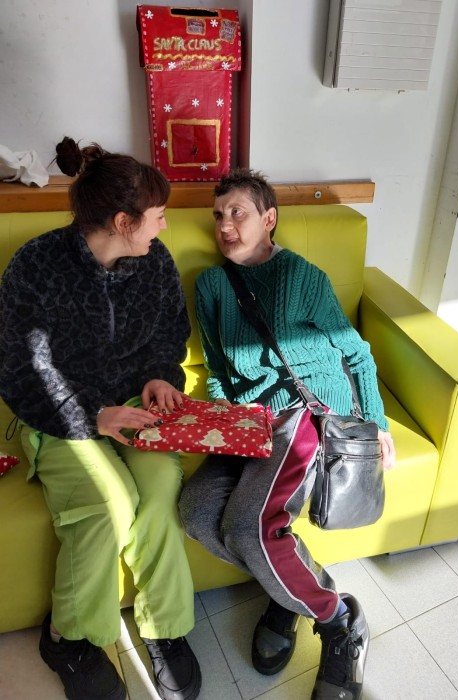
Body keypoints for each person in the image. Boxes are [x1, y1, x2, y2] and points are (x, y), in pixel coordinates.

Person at [178, 168, 395, 700]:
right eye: (219, 215)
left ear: (269, 218)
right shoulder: (211, 285)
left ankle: (340, 622)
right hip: (247, 422)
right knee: (197, 513)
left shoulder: (302, 277)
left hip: (305, 410)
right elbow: (219, 370)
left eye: (238, 213)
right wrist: (224, 421)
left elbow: (356, 353)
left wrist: (377, 423)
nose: (224, 225)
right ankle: (291, 589)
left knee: (250, 528)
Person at [0, 140, 201, 700]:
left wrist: (160, 375)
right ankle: (67, 637)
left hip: (135, 408)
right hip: (57, 417)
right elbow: (21, 368)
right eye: (158, 215)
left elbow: (168, 333)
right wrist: (92, 413)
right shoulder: (37, 267)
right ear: (122, 222)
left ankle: (164, 626)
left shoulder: (154, 262)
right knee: (107, 503)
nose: (164, 226)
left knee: (158, 491)